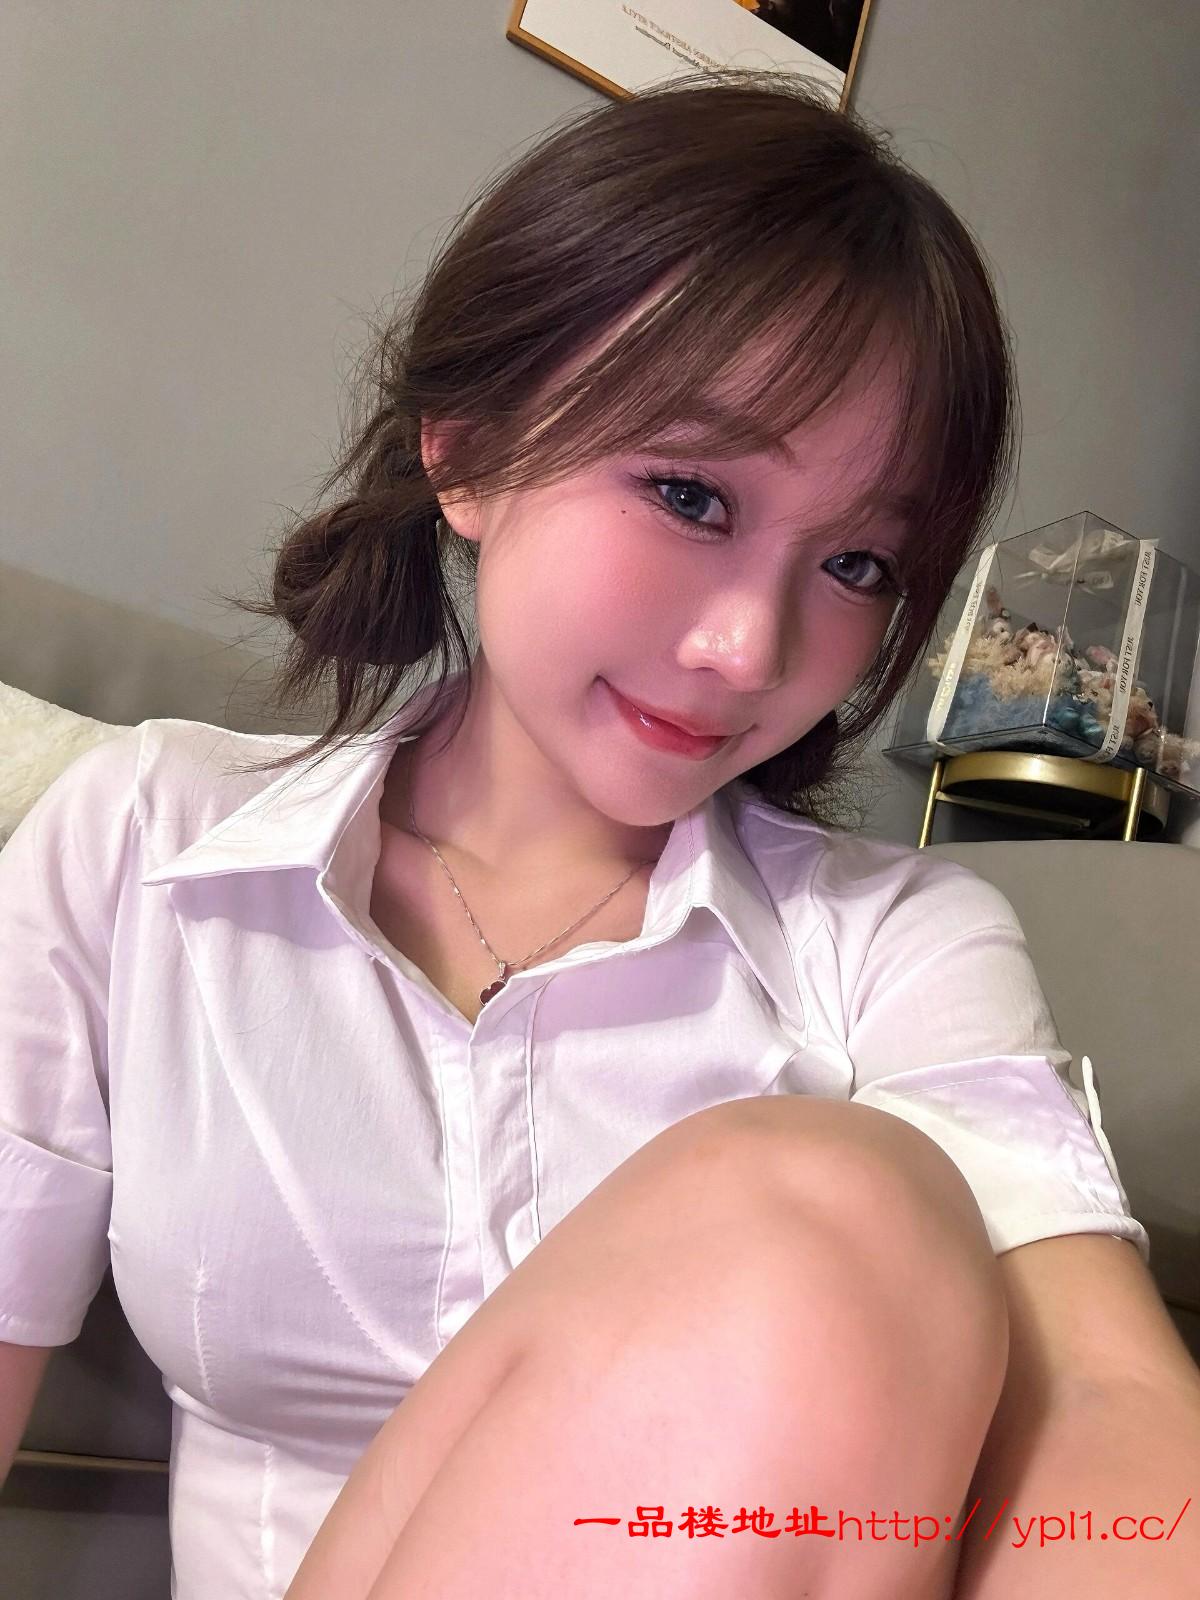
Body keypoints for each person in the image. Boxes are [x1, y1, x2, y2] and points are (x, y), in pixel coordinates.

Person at [1, 69, 1197, 1600]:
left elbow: (1103, 1396)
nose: (751, 651)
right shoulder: (141, 842)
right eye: (690, 494)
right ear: (466, 452)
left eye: (856, 566)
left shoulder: (897, 940)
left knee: (840, 1210)